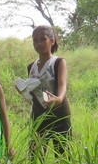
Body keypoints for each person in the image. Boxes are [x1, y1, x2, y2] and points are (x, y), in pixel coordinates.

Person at [28, 25, 71, 156]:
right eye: (35, 40)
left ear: (52, 41)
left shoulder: (58, 62)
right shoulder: (31, 67)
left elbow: (62, 84)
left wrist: (59, 98)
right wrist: (23, 90)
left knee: (63, 157)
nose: (39, 43)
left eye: (43, 39)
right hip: (39, 115)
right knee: (36, 158)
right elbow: (33, 92)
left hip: (59, 114)